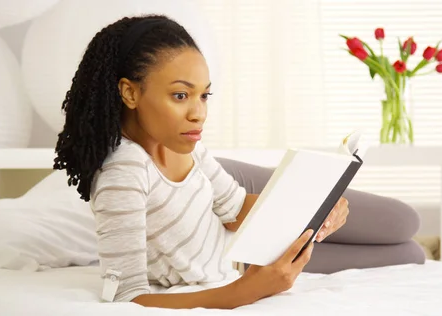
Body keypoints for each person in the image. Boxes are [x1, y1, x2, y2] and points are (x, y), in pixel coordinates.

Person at [53, 14, 350, 309]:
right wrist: (246, 291)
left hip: (235, 242)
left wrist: (312, 208)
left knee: (394, 231)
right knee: (396, 238)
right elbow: (126, 296)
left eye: (204, 95)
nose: (199, 113)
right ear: (129, 92)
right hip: (234, 262)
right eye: (180, 95)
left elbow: (234, 210)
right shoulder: (122, 174)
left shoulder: (183, 144)